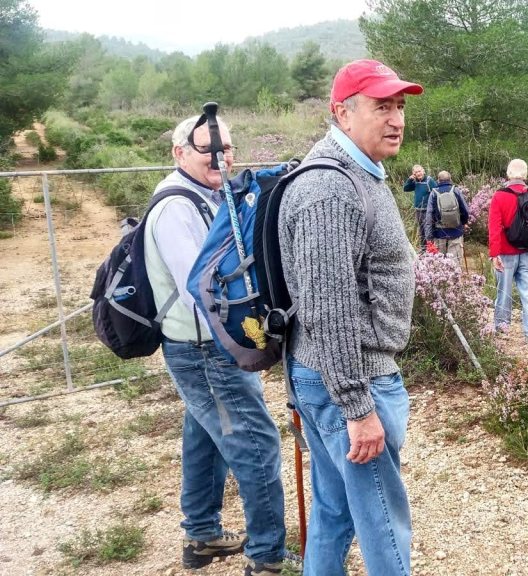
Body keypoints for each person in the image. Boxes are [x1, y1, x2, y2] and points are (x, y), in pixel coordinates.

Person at [277, 59, 422, 575]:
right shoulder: (331, 189)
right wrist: (359, 409)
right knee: (384, 522)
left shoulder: (358, 172)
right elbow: (329, 309)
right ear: (342, 113)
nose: (397, 118)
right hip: (349, 380)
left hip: (332, 375)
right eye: (382, 106)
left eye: (400, 106)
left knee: (335, 511)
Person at [145, 115, 288, 574]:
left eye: (226, 147)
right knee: (255, 442)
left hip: (206, 346)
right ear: (179, 152)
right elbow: (203, 290)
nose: (220, 157)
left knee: (205, 438)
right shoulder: (175, 208)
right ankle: (267, 558)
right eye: (207, 148)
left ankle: (202, 535)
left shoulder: (209, 196)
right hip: (206, 350)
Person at [488, 158, 528, 348]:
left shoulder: (499, 196)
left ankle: (502, 331)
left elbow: (494, 227)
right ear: (525, 175)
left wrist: (494, 254)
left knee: (504, 293)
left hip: (505, 255)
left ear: (508, 174)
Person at [423, 170, 469, 268]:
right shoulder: (456, 190)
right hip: (456, 232)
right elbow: (465, 210)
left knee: (439, 265)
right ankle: (455, 282)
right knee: (454, 265)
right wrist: (463, 223)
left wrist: (429, 237)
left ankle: (442, 283)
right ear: (450, 179)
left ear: (438, 180)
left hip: (439, 233)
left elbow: (429, 216)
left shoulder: (433, 193)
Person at [403, 163, 436, 251]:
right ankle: (423, 251)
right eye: (416, 172)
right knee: (421, 232)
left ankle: (431, 252)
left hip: (427, 211)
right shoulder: (415, 182)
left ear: (423, 171)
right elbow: (405, 189)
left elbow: (436, 193)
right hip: (418, 211)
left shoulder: (429, 180)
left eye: (420, 171)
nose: (418, 173)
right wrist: (410, 179)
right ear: (414, 174)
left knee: (428, 232)